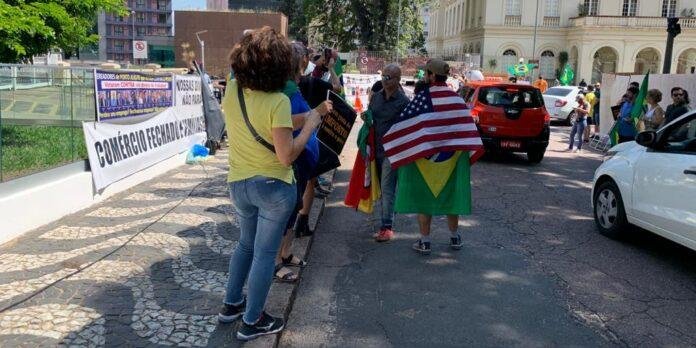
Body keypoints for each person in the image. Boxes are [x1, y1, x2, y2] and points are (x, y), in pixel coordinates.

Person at [217, 27, 324, 341]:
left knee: (244, 245)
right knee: (264, 254)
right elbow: (286, 154)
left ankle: (231, 304)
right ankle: (253, 320)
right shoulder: (278, 100)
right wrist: (311, 125)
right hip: (273, 189)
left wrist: (305, 118)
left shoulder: (232, 91)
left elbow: (270, 126)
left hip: (240, 184)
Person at [383, 59, 484, 255]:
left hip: (426, 160)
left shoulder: (423, 98)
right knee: (452, 198)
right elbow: (466, 130)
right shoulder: (456, 99)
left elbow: (406, 125)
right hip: (452, 160)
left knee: (424, 200)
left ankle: (425, 241)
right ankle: (454, 238)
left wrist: (390, 142)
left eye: (426, 73)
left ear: (430, 75)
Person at [274, 43, 334, 283]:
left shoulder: (294, 86)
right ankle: (276, 262)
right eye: (304, 60)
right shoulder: (283, 91)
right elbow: (284, 123)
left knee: (294, 209)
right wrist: (314, 114)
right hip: (293, 160)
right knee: (286, 214)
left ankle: (286, 253)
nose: (308, 64)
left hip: (302, 162)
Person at [368, 63, 409, 242]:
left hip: (392, 152)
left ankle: (386, 226)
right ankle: (388, 215)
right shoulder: (376, 97)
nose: (384, 80)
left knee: (387, 187)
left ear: (398, 80)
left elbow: (408, 128)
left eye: (388, 77)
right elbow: (371, 116)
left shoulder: (404, 102)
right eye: (383, 76)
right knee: (382, 188)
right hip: (375, 150)